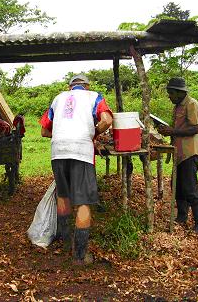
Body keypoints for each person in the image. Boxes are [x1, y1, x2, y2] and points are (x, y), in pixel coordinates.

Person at [40, 74, 113, 264]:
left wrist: (63, 135)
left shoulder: (58, 98)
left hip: (58, 151)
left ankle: (65, 245)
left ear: (69, 87)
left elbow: (44, 131)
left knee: (63, 196)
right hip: (81, 151)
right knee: (83, 202)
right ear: (87, 86)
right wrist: (93, 133)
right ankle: (79, 256)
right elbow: (106, 120)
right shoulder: (94, 97)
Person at [158, 77, 198, 234]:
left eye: (171, 93)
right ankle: (181, 217)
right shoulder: (178, 106)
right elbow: (179, 127)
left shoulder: (192, 104)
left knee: (190, 188)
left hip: (189, 153)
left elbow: (196, 128)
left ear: (180, 93)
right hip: (178, 153)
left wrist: (172, 131)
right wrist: (167, 130)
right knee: (177, 186)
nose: (169, 96)